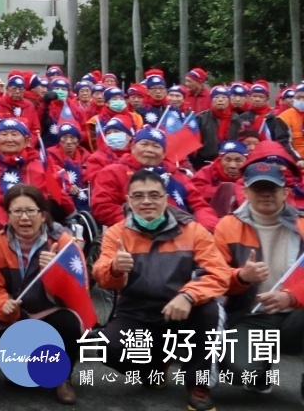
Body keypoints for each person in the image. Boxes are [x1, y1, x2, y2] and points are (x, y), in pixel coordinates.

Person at [92, 169, 230, 411]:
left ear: (166, 199)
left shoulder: (193, 230)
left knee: (209, 311)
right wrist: (114, 269)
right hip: (136, 311)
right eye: (138, 196)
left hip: (182, 309)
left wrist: (188, 295)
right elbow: (102, 277)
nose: (147, 201)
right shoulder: (116, 233)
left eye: (154, 195)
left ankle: (198, 385)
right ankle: (155, 365)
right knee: (106, 347)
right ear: (128, 200)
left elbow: (218, 274)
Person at [0, 185, 80, 405]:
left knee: (70, 326)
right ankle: (26, 370)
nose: (24, 218)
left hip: (51, 311)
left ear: (43, 215)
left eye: (31, 211)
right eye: (17, 212)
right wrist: (2, 305)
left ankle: (63, 377)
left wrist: (57, 272)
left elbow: (79, 290)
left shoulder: (62, 243)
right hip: (17, 314)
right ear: (7, 216)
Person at [213, 161, 304, 395]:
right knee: (237, 370)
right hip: (252, 315)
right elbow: (214, 276)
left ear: (285, 192)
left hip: (297, 314)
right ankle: (260, 370)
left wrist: (292, 297)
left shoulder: (302, 224)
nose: (265, 194)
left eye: (272, 188)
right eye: (258, 188)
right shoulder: (228, 226)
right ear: (244, 192)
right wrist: (241, 277)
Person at [90, 127, 219, 230]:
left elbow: (199, 205)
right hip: (133, 230)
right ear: (133, 148)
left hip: (181, 230)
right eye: (144, 144)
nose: (150, 149)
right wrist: (140, 224)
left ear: (163, 154)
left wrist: (208, 228)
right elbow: (103, 207)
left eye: (156, 146)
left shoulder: (175, 174)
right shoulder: (113, 172)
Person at [196, 86, 241, 167]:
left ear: (229, 100)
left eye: (224, 97)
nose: (220, 100)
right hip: (204, 163)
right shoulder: (200, 118)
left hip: (229, 163)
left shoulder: (237, 120)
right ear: (211, 100)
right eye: (216, 97)